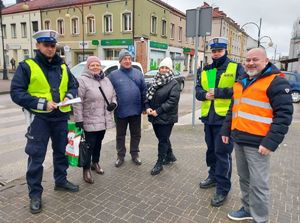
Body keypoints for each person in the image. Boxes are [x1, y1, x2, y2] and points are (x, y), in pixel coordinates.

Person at [10, 30, 79, 214]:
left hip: (60, 117)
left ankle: (61, 181)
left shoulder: (63, 66)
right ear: (38, 46)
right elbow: (17, 93)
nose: (50, 49)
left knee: (61, 152)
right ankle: (35, 194)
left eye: (52, 45)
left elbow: (73, 85)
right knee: (36, 156)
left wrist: (69, 97)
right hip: (39, 118)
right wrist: (42, 103)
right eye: (46, 45)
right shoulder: (27, 66)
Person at [221, 48, 293, 223]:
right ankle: (247, 209)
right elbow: (233, 108)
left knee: (259, 185)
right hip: (239, 139)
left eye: (255, 60)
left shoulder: (276, 82)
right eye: (248, 60)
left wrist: (270, 142)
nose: (251, 63)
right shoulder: (241, 81)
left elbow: (284, 115)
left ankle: (260, 219)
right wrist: (226, 129)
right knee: (244, 179)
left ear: (266, 61)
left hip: (259, 144)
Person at [195, 37, 244, 207]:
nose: (216, 54)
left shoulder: (236, 67)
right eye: (213, 51)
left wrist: (218, 92)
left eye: (219, 51)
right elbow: (198, 90)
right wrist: (204, 95)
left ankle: (223, 188)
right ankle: (213, 176)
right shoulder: (205, 69)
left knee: (222, 154)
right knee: (211, 151)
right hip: (208, 118)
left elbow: (240, 90)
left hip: (225, 120)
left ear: (225, 51)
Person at [73, 56, 117, 184]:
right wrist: (79, 119)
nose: (95, 67)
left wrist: (114, 104)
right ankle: (86, 169)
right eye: (92, 65)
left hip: (103, 120)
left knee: (98, 144)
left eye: (97, 65)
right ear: (88, 66)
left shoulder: (106, 80)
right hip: (89, 119)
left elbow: (113, 95)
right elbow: (77, 102)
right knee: (89, 146)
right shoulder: (82, 81)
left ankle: (95, 163)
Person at [108, 49, 147, 167]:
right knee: (120, 135)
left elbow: (144, 91)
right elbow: (108, 92)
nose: (127, 61)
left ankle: (135, 154)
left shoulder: (138, 74)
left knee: (136, 134)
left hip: (136, 110)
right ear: (120, 61)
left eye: (129, 59)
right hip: (120, 111)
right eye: (125, 59)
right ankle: (120, 156)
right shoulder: (113, 75)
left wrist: (145, 107)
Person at [145, 57, 180, 175]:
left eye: (166, 68)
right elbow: (147, 96)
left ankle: (159, 163)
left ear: (170, 69)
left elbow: (172, 101)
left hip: (167, 117)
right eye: (162, 67)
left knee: (163, 140)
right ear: (159, 69)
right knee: (162, 138)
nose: (164, 70)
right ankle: (170, 155)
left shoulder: (174, 83)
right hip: (154, 116)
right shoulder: (154, 81)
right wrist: (147, 107)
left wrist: (158, 111)